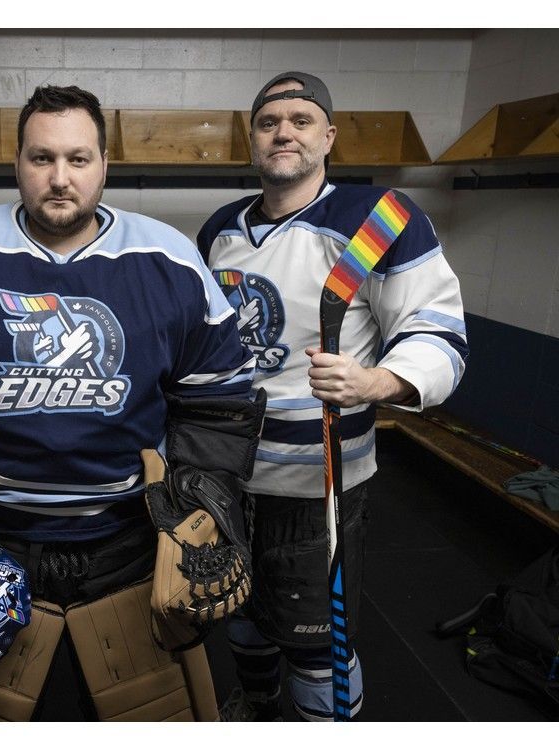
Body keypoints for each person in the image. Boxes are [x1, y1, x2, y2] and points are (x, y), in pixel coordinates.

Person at [0, 85, 260, 720]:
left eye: (78, 159)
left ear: (105, 163)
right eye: (41, 159)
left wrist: (199, 511)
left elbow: (216, 405)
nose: (58, 179)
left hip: (127, 542)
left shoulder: (170, 260)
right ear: (16, 161)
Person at [197, 72, 469, 721]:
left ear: (329, 135)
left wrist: (376, 381)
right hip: (228, 480)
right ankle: (257, 709)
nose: (283, 131)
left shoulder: (378, 220)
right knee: (239, 612)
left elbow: (439, 329)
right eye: (268, 122)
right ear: (252, 139)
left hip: (317, 491)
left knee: (314, 639)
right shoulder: (219, 230)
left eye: (300, 118)